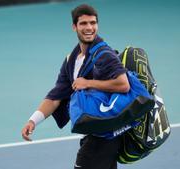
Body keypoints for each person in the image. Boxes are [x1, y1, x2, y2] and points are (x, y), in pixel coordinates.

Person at [21, 4, 130, 169]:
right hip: (95, 132)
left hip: (105, 135)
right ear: (74, 27)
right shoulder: (71, 60)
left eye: (93, 23)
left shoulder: (104, 55)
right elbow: (56, 96)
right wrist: (33, 120)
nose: (89, 28)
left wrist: (87, 83)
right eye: (84, 23)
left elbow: (123, 84)